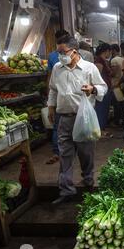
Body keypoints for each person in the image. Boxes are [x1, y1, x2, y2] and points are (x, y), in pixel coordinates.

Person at [47, 36, 108, 204]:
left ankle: (88, 180)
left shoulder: (89, 68)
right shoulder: (57, 68)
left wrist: (93, 88)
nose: (59, 56)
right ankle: (66, 190)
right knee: (65, 154)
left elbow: (103, 87)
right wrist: (51, 107)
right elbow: (52, 89)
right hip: (64, 118)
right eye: (57, 52)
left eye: (62, 52)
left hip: (84, 118)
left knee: (86, 152)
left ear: (74, 51)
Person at [46, 29, 70, 165]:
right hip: (64, 99)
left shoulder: (52, 56)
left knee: (57, 126)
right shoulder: (57, 62)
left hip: (61, 99)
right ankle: (61, 152)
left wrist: (49, 100)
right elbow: (52, 83)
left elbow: (49, 80)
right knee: (60, 126)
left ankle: (57, 152)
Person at [94, 43, 114, 138]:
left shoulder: (103, 60)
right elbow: (97, 76)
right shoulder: (99, 60)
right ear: (106, 51)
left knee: (104, 110)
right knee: (101, 110)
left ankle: (102, 129)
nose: (110, 54)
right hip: (102, 90)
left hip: (106, 89)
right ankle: (100, 131)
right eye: (109, 51)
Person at [110, 44, 124, 126]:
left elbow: (114, 73)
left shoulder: (114, 60)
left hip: (115, 84)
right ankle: (122, 120)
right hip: (122, 84)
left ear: (113, 50)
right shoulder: (123, 59)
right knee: (121, 104)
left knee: (116, 105)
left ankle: (117, 122)